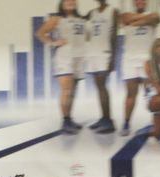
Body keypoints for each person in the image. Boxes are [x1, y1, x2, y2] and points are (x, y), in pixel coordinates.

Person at [36, 0, 88, 135]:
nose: (70, 2)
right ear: (62, 3)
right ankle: (65, 121)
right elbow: (40, 33)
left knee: (73, 92)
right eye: (67, 0)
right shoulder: (57, 18)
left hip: (79, 58)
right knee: (66, 90)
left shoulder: (81, 19)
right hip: (64, 58)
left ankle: (69, 119)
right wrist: (53, 43)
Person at [119, 0, 160, 136]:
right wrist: (143, 20)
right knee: (131, 94)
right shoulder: (126, 15)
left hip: (147, 61)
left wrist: (134, 22)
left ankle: (155, 125)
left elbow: (155, 18)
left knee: (150, 95)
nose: (140, 2)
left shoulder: (154, 14)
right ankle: (126, 123)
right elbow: (125, 19)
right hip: (129, 60)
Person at [85, 0, 118, 134]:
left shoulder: (113, 11)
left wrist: (113, 58)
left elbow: (114, 36)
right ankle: (104, 118)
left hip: (104, 53)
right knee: (99, 87)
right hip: (93, 53)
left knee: (102, 86)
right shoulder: (91, 13)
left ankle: (108, 121)